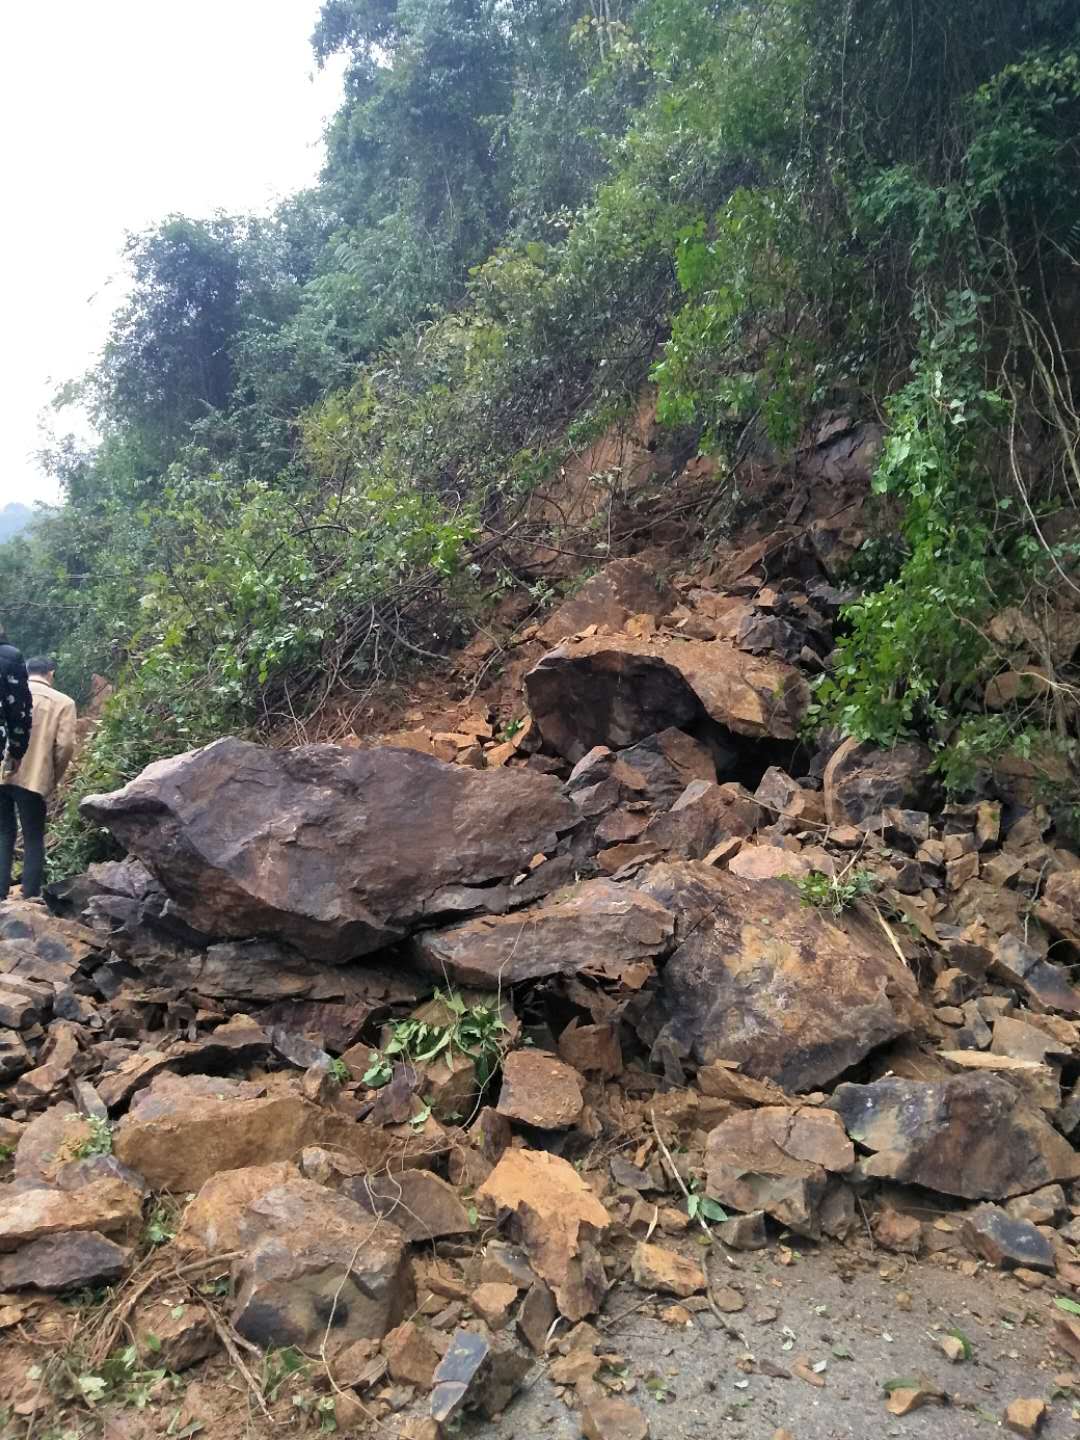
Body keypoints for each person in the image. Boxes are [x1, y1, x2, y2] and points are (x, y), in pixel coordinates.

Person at [0, 656, 75, 900]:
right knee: (33, 836)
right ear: (51, 673)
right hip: (34, 777)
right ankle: (29, 894)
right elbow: (65, 746)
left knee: (3, 833)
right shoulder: (63, 703)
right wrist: (52, 777)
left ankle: (0, 893)